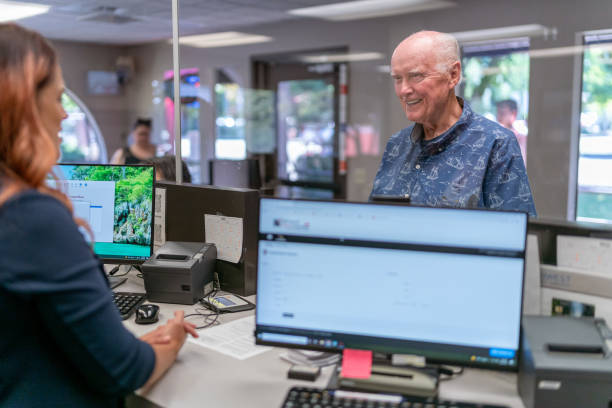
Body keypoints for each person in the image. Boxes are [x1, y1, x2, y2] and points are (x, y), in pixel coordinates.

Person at [0, 23, 198, 406]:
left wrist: (124, 346)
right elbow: (123, 372)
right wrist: (170, 342)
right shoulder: (30, 218)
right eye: (57, 98)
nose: (64, 115)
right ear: (21, 105)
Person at [371, 31, 537, 216]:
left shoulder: (496, 145)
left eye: (416, 76)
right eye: (397, 79)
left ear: (453, 75)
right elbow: (374, 220)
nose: (403, 90)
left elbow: (518, 234)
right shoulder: (397, 145)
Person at [496, 99, 528, 163]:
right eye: (498, 113)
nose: (498, 118)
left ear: (514, 113)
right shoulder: (497, 134)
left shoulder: (521, 136)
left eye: (502, 113)